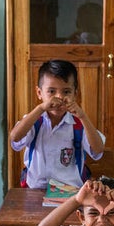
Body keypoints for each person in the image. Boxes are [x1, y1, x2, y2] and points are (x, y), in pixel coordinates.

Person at [10, 59, 104, 189]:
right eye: (51, 91)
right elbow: (15, 137)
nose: (59, 97)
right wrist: (40, 108)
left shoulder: (78, 124)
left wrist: (83, 117)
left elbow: (98, 149)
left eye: (66, 92)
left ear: (75, 94)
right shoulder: (34, 121)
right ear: (39, 93)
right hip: (36, 190)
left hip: (70, 192)